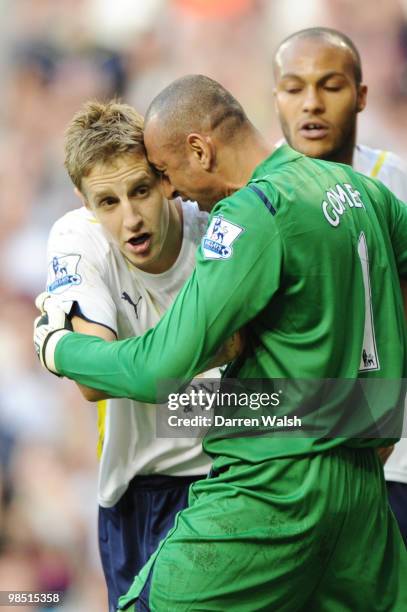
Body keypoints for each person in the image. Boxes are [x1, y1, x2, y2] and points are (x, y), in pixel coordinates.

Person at [34, 75, 407, 611]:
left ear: (199, 150)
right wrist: (370, 400)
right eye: (111, 199)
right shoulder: (354, 186)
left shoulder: (245, 217)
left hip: (267, 489)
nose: (168, 192)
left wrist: (55, 348)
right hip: (355, 480)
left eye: (157, 178)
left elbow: (153, 368)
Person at [41, 99, 234, 611]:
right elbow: (94, 379)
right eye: (107, 202)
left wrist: (58, 348)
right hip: (140, 494)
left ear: (166, 180)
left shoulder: (217, 224)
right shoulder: (77, 237)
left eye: (141, 191)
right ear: (85, 203)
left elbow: (99, 364)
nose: (130, 218)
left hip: (232, 473)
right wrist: (210, 364)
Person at [273, 26, 407, 545]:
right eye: (294, 87)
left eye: (330, 85)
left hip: (391, 467)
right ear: (276, 97)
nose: (312, 103)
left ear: (361, 95)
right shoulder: (258, 197)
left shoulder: (394, 184)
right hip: (297, 471)